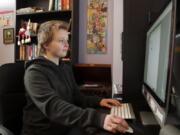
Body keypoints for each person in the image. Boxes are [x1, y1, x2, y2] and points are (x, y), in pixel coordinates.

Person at [21, 20, 129, 135]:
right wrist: (98, 119)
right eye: (61, 41)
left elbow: (76, 97)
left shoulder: (65, 67)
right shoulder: (34, 73)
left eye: (67, 40)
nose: (67, 45)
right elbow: (54, 107)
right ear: (45, 44)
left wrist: (100, 101)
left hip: (65, 127)